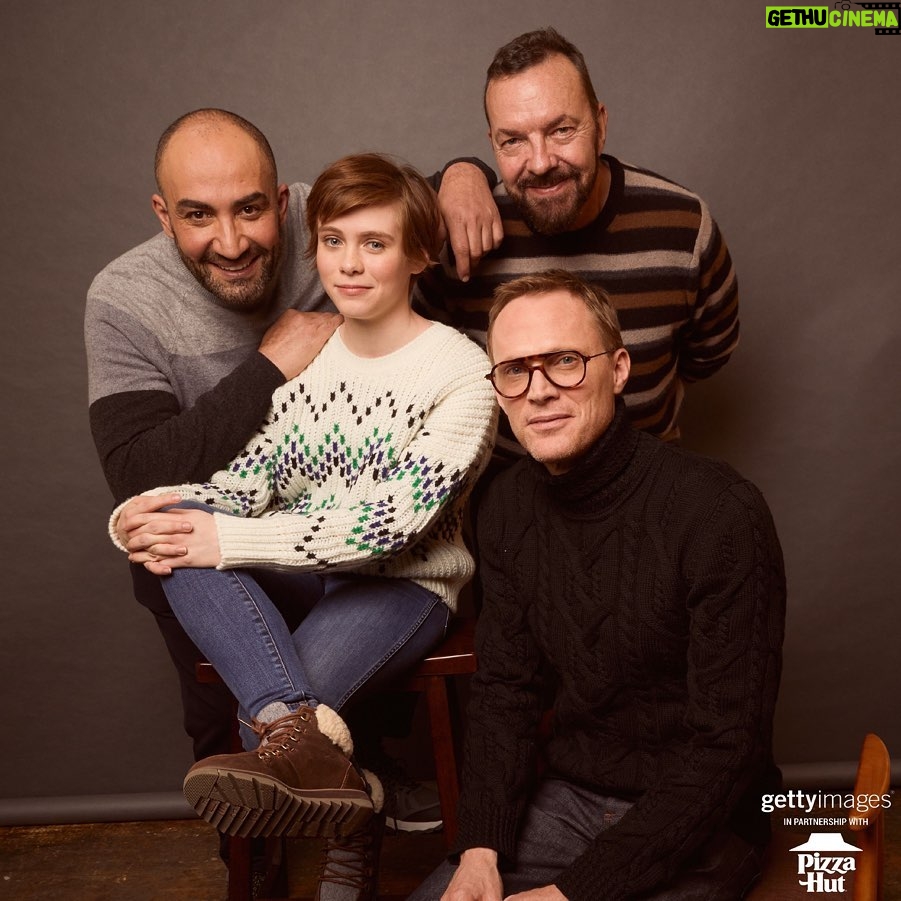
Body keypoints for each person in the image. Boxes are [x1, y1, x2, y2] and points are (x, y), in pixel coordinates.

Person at [84, 109, 496, 815]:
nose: (347, 261)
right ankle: (340, 775)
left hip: (401, 580)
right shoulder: (304, 354)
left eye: (372, 243)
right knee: (182, 537)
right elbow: (254, 475)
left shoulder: (461, 372)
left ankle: (330, 797)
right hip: (300, 567)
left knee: (258, 724)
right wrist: (151, 514)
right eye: (333, 241)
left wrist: (468, 167)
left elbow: (386, 526)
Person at [411, 270, 785, 901]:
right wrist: (479, 849)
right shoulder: (503, 508)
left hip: (707, 818)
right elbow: (507, 693)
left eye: (564, 362)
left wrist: (576, 893)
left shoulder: (720, 513)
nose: (539, 392)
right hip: (573, 799)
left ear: (617, 369)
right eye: (514, 370)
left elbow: (728, 747)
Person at [418, 27, 740, 448]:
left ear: (600, 124)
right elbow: (412, 354)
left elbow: (708, 353)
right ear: (492, 144)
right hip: (502, 496)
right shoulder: (467, 229)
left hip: (647, 490)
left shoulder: (682, 225)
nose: (540, 162)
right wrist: (457, 172)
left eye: (562, 130)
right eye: (513, 140)